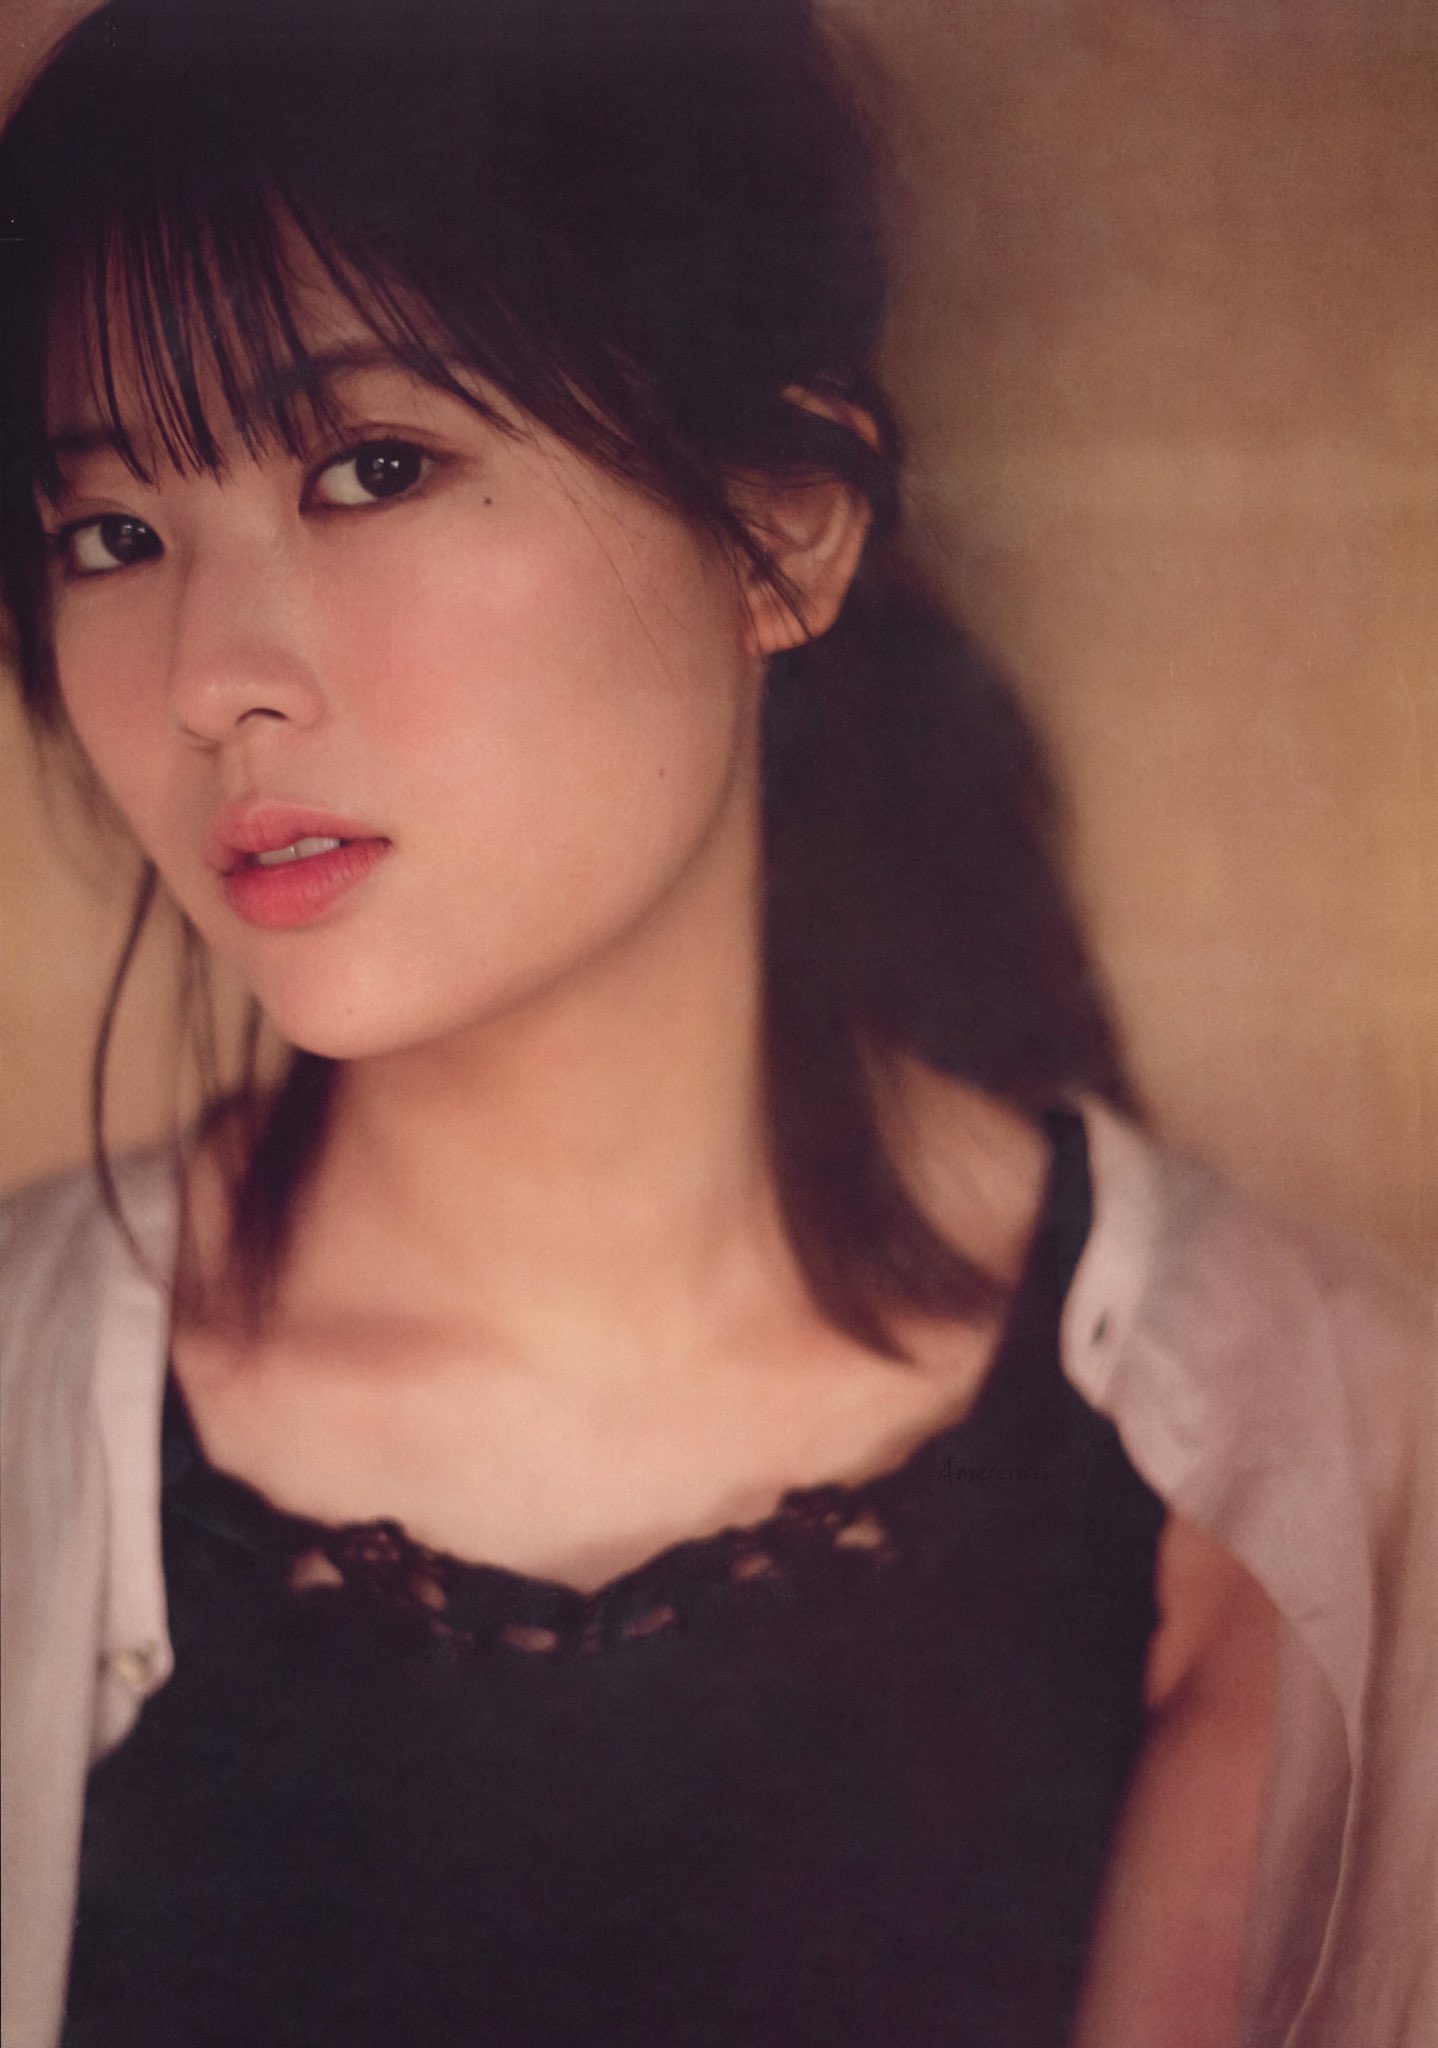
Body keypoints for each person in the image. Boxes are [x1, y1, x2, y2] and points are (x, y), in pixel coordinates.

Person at [0, 0, 1432, 2044]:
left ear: (783, 525)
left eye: (371, 466)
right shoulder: (27, 1408)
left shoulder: (1307, 1472)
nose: (210, 675)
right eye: (111, 533)